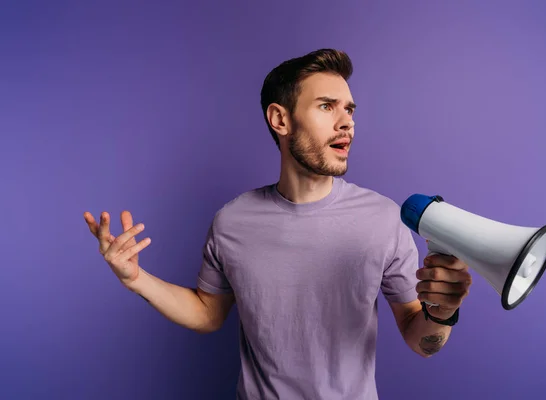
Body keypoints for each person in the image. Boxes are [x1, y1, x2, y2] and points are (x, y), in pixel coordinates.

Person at [84, 48, 473, 400]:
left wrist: (442, 313)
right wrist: (136, 279)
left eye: (349, 109)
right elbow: (207, 312)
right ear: (279, 119)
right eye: (326, 106)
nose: (346, 123)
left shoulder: (384, 218)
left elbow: (416, 334)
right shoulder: (232, 221)